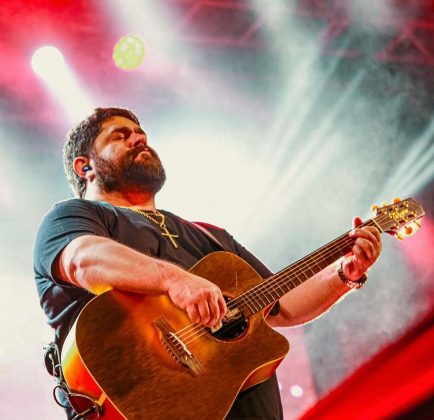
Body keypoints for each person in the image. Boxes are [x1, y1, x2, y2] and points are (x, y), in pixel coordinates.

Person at [33, 107, 382, 419]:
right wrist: (176, 281)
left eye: (141, 133)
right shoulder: (72, 216)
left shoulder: (213, 236)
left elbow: (283, 307)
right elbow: (83, 260)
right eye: (121, 135)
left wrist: (343, 274)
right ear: (85, 167)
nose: (139, 138)